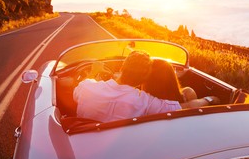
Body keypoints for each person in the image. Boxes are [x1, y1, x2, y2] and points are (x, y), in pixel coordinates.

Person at [73, 50, 213, 122]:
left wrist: (93, 74)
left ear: (122, 67)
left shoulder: (86, 87)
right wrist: (211, 99)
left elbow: (75, 93)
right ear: (143, 80)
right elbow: (187, 107)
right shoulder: (144, 102)